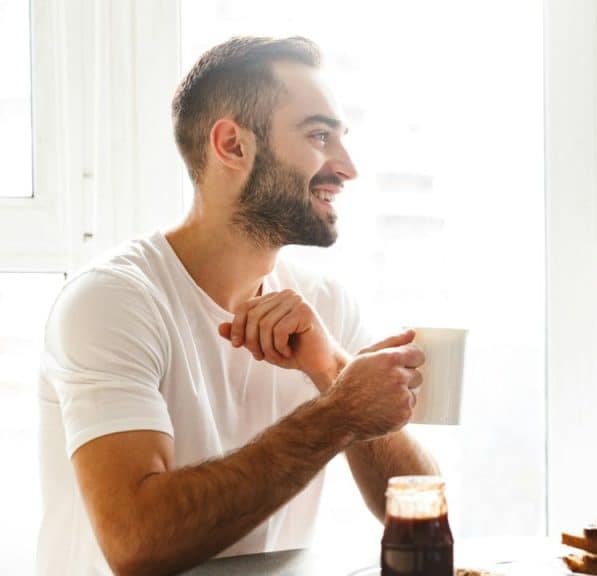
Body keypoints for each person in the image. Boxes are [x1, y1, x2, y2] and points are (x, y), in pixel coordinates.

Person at [37, 36, 438, 575]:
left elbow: (421, 508)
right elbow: (136, 541)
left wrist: (331, 370)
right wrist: (338, 413)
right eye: (319, 136)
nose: (347, 168)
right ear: (231, 145)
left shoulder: (325, 303)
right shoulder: (112, 301)